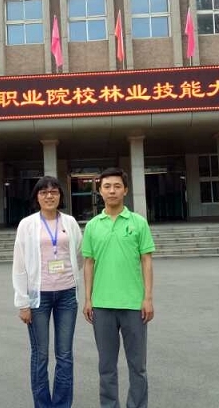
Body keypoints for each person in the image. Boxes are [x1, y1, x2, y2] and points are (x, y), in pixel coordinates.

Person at [82, 167, 155, 408]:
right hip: (102, 305)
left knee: (138, 366)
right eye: (107, 186)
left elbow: (146, 260)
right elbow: (89, 263)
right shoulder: (93, 226)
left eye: (116, 186)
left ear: (125, 190)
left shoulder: (138, 222)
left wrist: (148, 298)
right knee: (106, 366)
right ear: (100, 191)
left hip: (134, 305)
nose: (112, 191)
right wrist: (88, 299)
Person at [12, 175, 84, 408]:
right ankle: (43, 404)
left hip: (67, 295)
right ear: (37, 197)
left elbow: (80, 254)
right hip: (38, 297)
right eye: (44, 192)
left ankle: (62, 404)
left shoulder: (70, 222)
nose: (49, 196)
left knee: (65, 355)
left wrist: (66, 273)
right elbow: (19, 265)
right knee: (40, 355)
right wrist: (22, 302)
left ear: (60, 196)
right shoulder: (27, 224)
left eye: (54, 191)